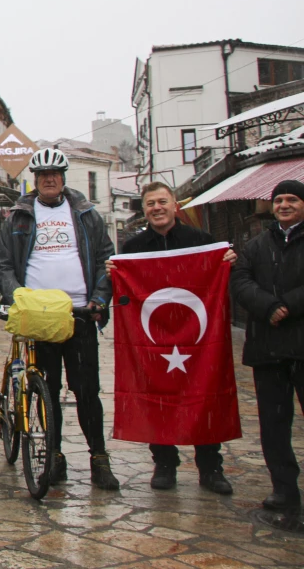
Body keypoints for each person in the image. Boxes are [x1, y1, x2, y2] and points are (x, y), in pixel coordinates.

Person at [0, 147, 120, 490]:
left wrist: (99, 298)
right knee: (47, 391)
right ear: (34, 180)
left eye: (55, 174)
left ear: (63, 178)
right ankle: (55, 457)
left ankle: (99, 458)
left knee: (86, 392)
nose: (49, 179)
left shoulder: (86, 214)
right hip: (39, 316)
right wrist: (15, 298)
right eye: (42, 175)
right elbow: (4, 264)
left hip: (79, 314)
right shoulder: (18, 216)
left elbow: (106, 259)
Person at [105, 181, 236, 494]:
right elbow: (125, 294)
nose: (157, 208)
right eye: (151, 204)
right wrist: (115, 273)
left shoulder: (200, 241)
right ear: (145, 209)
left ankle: (210, 466)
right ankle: (164, 462)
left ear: (175, 205)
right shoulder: (134, 248)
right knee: (156, 397)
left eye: (162, 201)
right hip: (154, 338)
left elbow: (216, 282)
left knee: (204, 394)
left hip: (197, 337)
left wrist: (226, 262)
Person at [231, 178, 304, 514]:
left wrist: (288, 304)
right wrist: (268, 307)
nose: (284, 205)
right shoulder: (257, 245)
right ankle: (284, 489)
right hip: (268, 349)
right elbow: (241, 281)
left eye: (291, 199)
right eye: (279, 200)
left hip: (301, 345)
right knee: (274, 425)